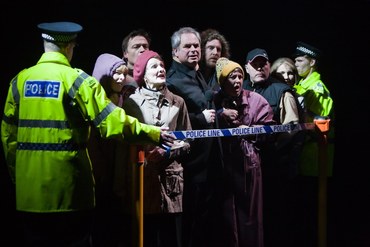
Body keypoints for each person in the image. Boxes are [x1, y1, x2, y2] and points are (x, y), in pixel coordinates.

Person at [0, 21, 175, 247]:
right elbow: (112, 122)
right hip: (70, 194)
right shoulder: (78, 81)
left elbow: (7, 138)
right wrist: (152, 132)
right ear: (69, 47)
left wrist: (19, 177)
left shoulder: (19, 81)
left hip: (28, 195)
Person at [123, 50, 192, 247]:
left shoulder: (178, 102)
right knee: (147, 236)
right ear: (143, 75)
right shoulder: (132, 104)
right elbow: (125, 139)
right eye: (154, 66)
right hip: (143, 179)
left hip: (170, 181)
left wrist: (169, 151)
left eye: (162, 66)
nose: (160, 69)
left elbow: (188, 139)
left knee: (171, 237)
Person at [166, 27, 224, 247]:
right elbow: (171, 122)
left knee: (204, 225)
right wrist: (199, 119)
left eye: (196, 45)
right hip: (191, 165)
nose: (193, 50)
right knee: (188, 225)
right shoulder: (172, 82)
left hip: (210, 164)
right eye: (187, 46)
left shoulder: (199, 74)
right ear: (175, 53)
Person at [243, 48, 302, 247]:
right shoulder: (239, 87)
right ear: (246, 68)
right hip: (245, 168)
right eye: (255, 64)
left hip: (275, 168)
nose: (260, 68)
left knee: (276, 217)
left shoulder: (281, 91)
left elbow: (292, 129)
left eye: (263, 64)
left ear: (269, 66)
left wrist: (271, 149)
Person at [214, 57, 275, 247]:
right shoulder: (214, 101)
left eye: (240, 76)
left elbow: (269, 131)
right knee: (226, 217)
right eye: (232, 77)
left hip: (249, 165)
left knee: (250, 216)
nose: (238, 81)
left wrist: (246, 130)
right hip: (223, 166)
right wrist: (219, 114)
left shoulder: (256, 100)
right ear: (223, 81)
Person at [291, 41, 335, 247]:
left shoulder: (317, 89)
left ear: (312, 62)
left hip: (316, 162)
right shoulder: (301, 85)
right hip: (302, 160)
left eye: (300, 61)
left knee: (313, 217)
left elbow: (321, 126)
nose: (296, 65)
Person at [89, 53, 133, 247]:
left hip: (119, 171)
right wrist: (100, 168)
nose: (121, 78)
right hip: (100, 175)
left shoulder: (124, 98)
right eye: (116, 73)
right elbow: (92, 140)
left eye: (124, 74)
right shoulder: (94, 101)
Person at [199, 28, 231, 92]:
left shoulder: (221, 76)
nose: (215, 52)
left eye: (218, 49)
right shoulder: (193, 73)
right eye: (211, 48)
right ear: (202, 49)